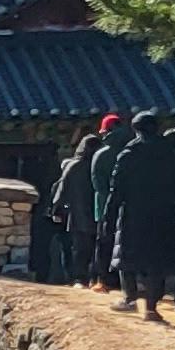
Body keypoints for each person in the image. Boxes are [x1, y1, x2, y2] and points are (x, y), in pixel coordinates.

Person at [107, 114, 175, 321]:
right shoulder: (171, 155)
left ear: (135, 129)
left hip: (133, 213)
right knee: (157, 261)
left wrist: (109, 215)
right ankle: (151, 307)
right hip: (163, 213)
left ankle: (129, 298)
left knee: (126, 256)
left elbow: (116, 189)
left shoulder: (128, 154)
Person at [51, 115, 116, 285]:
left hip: (78, 214)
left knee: (80, 249)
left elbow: (62, 189)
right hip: (99, 212)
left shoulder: (74, 166)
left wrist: (56, 210)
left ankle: (79, 278)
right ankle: (97, 278)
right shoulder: (102, 163)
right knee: (99, 247)